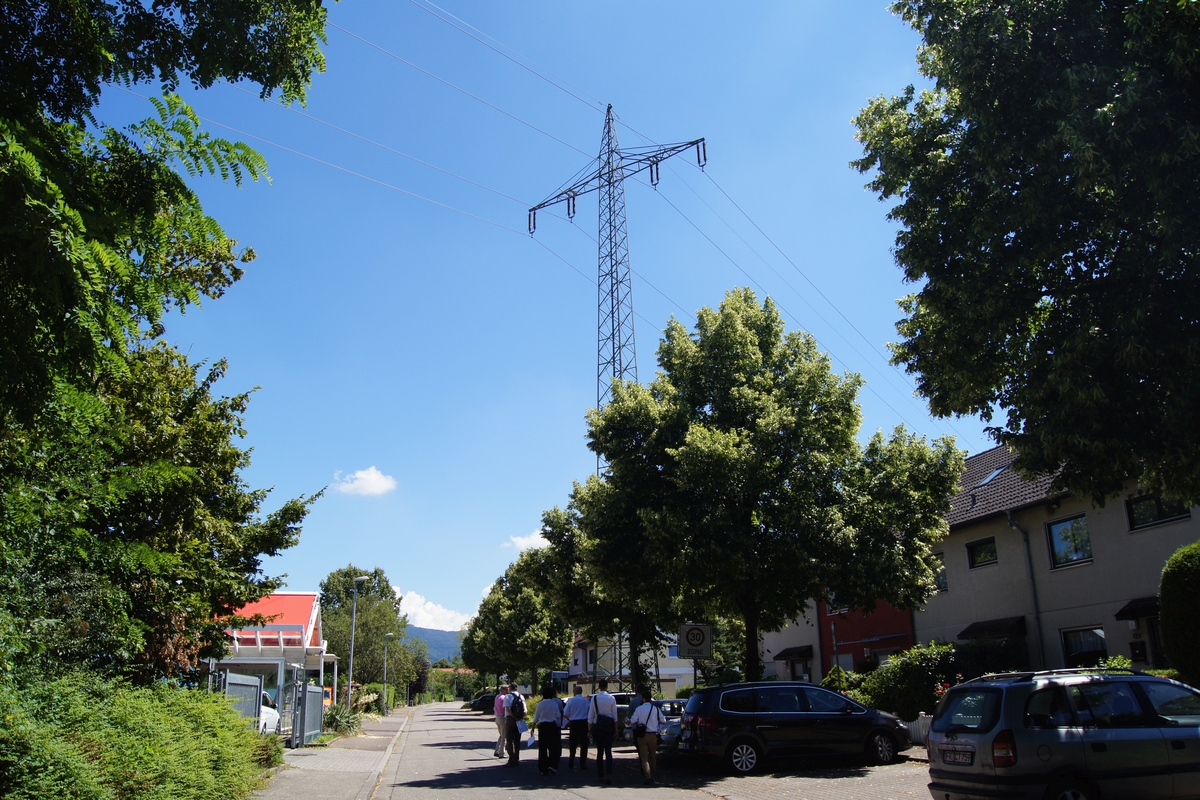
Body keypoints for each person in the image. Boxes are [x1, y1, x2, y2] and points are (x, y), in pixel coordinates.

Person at [628, 689, 664, 784]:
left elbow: (632, 721)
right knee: (653, 756)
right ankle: (653, 775)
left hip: (642, 735)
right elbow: (663, 720)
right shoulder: (655, 709)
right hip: (653, 734)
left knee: (644, 757)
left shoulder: (639, 709)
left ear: (643, 699)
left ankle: (647, 776)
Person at [588, 678, 618, 785]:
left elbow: (590, 716)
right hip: (609, 728)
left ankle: (600, 774)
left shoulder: (594, 699)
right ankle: (609, 774)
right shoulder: (611, 698)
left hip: (598, 727)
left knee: (600, 752)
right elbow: (615, 716)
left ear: (599, 687)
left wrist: (590, 730)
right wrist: (616, 730)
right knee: (608, 752)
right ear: (607, 686)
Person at [532, 685, 564, 776]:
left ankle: (543, 767)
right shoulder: (554, 704)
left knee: (543, 747)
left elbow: (536, 717)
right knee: (553, 747)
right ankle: (552, 765)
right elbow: (558, 715)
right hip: (552, 726)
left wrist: (533, 728)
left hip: (543, 726)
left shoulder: (540, 704)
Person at [562, 685, 590, 770]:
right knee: (584, 744)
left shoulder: (571, 701)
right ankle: (583, 764)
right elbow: (590, 712)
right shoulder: (586, 701)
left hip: (574, 723)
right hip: (584, 723)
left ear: (575, 691)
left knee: (573, 743)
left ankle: (571, 761)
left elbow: (565, 713)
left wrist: (569, 719)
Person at [504, 683, 526, 767]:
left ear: (510, 688)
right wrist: (521, 717)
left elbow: (507, 709)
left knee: (509, 739)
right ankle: (516, 758)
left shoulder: (508, 696)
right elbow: (525, 710)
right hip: (520, 719)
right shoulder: (521, 696)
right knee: (517, 740)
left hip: (510, 719)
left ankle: (511, 758)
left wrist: (513, 717)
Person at [493, 685, 509, 758]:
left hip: (497, 718)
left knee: (501, 735)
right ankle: (501, 753)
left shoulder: (497, 696)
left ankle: (497, 750)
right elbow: (504, 708)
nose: (508, 691)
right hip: (502, 718)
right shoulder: (504, 698)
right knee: (504, 736)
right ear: (503, 690)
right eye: (506, 690)